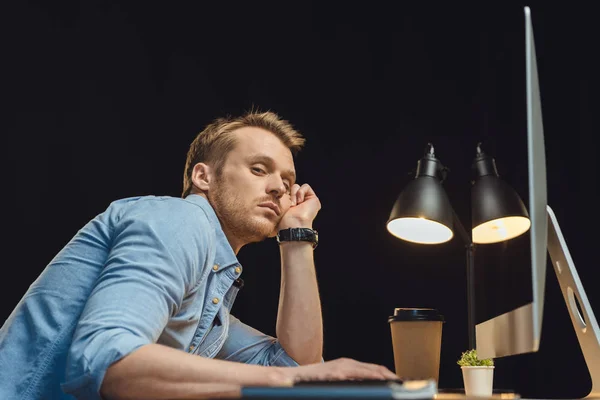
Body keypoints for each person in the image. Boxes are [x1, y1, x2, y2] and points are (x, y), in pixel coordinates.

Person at [0, 111, 398, 399]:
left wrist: (296, 235)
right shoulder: (180, 220)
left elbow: (296, 366)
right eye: (260, 169)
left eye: (288, 180)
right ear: (203, 176)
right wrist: (294, 382)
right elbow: (105, 361)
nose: (279, 188)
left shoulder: (212, 288)